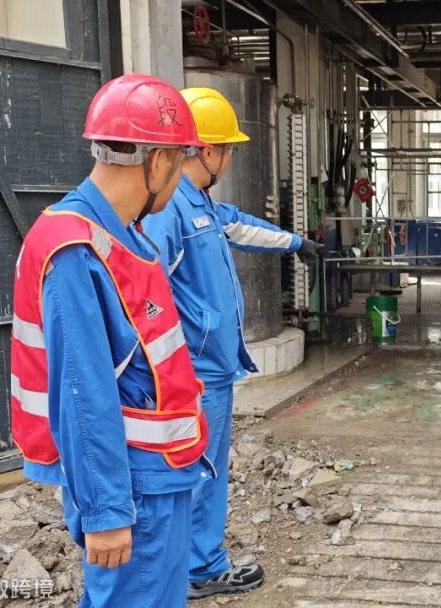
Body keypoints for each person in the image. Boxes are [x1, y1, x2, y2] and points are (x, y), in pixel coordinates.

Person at [10, 74, 209, 608]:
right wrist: (106, 513)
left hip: (156, 472)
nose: (178, 179)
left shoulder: (118, 235)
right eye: (180, 162)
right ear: (158, 162)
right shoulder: (76, 250)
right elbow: (82, 393)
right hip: (135, 486)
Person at [140, 87, 323, 599]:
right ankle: (201, 567)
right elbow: (146, 294)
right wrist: (171, 366)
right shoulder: (168, 211)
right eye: (228, 149)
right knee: (202, 468)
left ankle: (188, 560)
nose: (230, 159)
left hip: (210, 366)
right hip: (194, 371)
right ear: (206, 150)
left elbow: (239, 225)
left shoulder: (196, 201)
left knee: (206, 465)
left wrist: (297, 243)